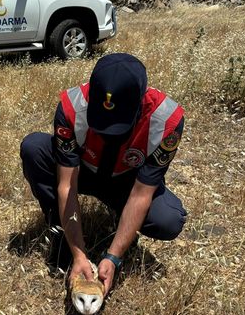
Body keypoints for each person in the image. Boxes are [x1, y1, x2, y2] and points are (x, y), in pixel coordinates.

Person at [20, 53, 187, 296]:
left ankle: (123, 232)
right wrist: (78, 252)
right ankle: (61, 232)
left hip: (127, 182)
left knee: (168, 219)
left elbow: (142, 194)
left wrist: (114, 256)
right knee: (34, 147)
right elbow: (67, 185)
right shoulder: (72, 106)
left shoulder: (167, 122)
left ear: (141, 101)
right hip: (84, 170)